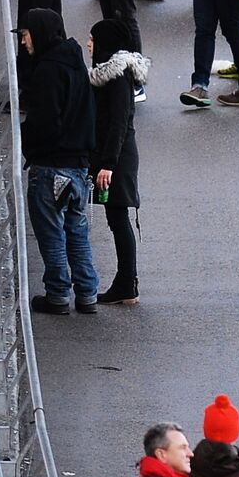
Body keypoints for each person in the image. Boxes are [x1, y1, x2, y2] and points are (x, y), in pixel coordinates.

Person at [19, 8, 98, 316]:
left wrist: (27, 140)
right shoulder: (75, 65)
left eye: (25, 35)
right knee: (77, 232)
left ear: (39, 33)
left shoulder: (48, 71)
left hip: (51, 167)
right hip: (78, 167)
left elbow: (45, 121)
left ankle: (57, 294)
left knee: (51, 232)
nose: (24, 43)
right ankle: (87, 293)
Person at [88, 19, 149, 305]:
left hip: (118, 158)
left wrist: (108, 164)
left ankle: (127, 283)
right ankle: (126, 283)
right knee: (117, 218)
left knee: (118, 218)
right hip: (116, 156)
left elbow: (118, 123)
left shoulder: (117, 78)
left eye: (93, 38)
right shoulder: (110, 75)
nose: (89, 44)